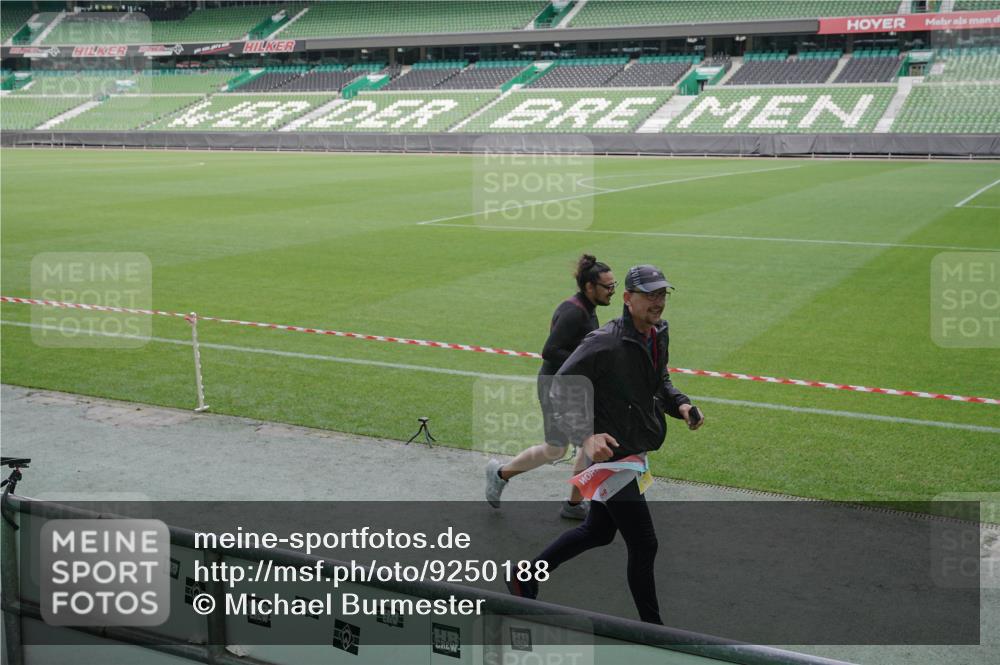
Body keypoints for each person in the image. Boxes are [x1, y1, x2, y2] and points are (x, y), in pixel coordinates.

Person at [506, 264, 705, 625]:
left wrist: (681, 404)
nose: (658, 302)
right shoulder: (604, 341)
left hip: (634, 446)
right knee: (645, 543)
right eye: (650, 295)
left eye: (662, 294)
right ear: (628, 299)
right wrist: (586, 436)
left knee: (598, 531)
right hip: (611, 457)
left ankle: (525, 575)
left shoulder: (658, 332)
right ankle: (653, 630)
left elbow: (659, 380)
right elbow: (561, 386)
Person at [485, 254, 616, 520]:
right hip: (557, 388)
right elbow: (550, 350)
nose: (613, 291)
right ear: (590, 287)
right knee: (567, 446)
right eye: (608, 287)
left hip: (571, 387)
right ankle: (502, 475)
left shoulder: (587, 308)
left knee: (570, 445)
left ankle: (571, 503)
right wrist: (584, 364)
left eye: (614, 285)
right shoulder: (573, 312)